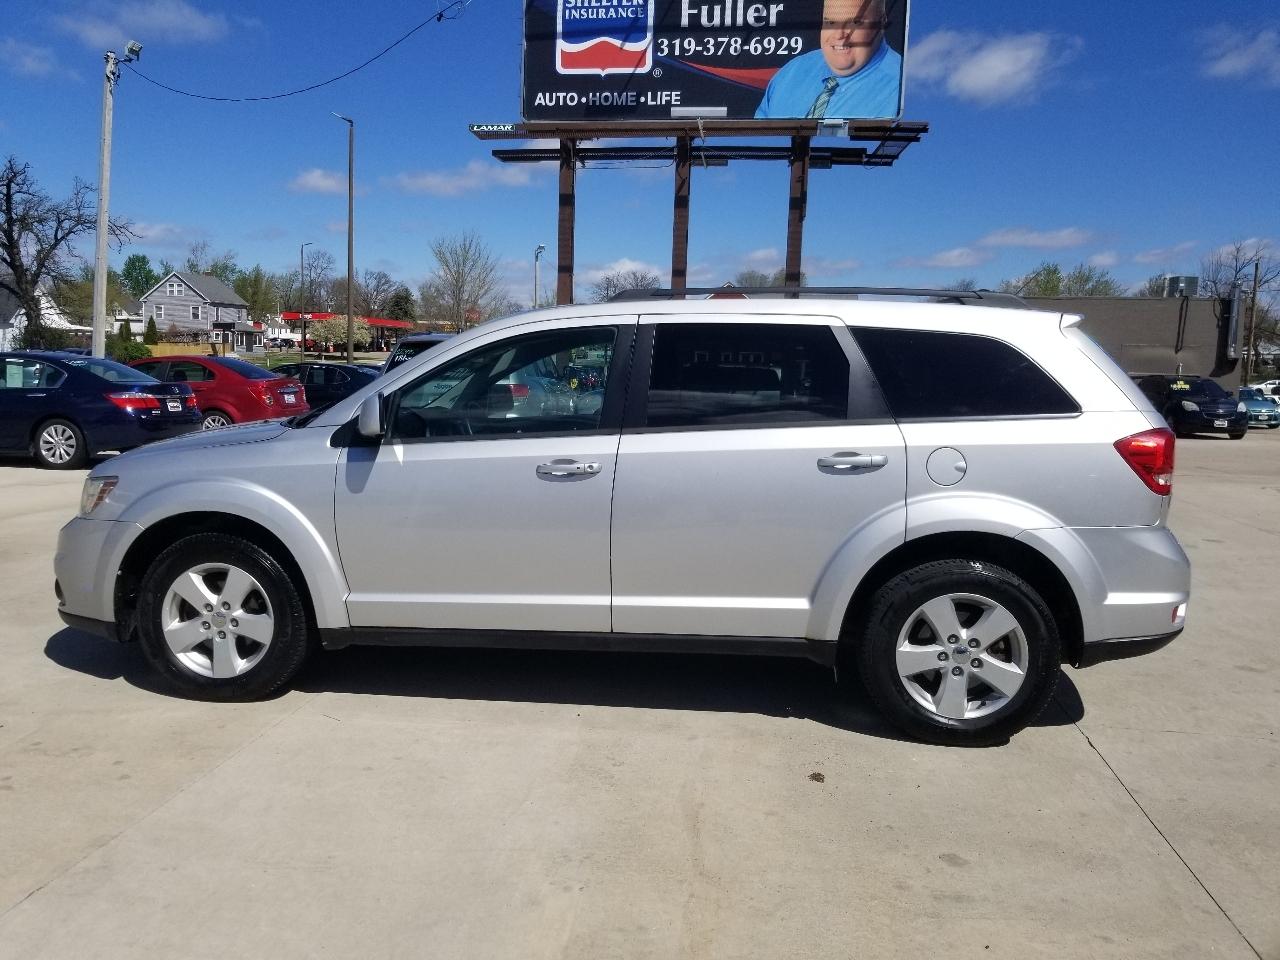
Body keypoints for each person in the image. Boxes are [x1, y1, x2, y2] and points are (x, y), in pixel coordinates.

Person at [755, 0, 901, 120]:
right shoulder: (790, 74)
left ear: (882, 22)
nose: (839, 35)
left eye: (855, 23)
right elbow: (758, 144)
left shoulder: (902, 90)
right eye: (830, 22)